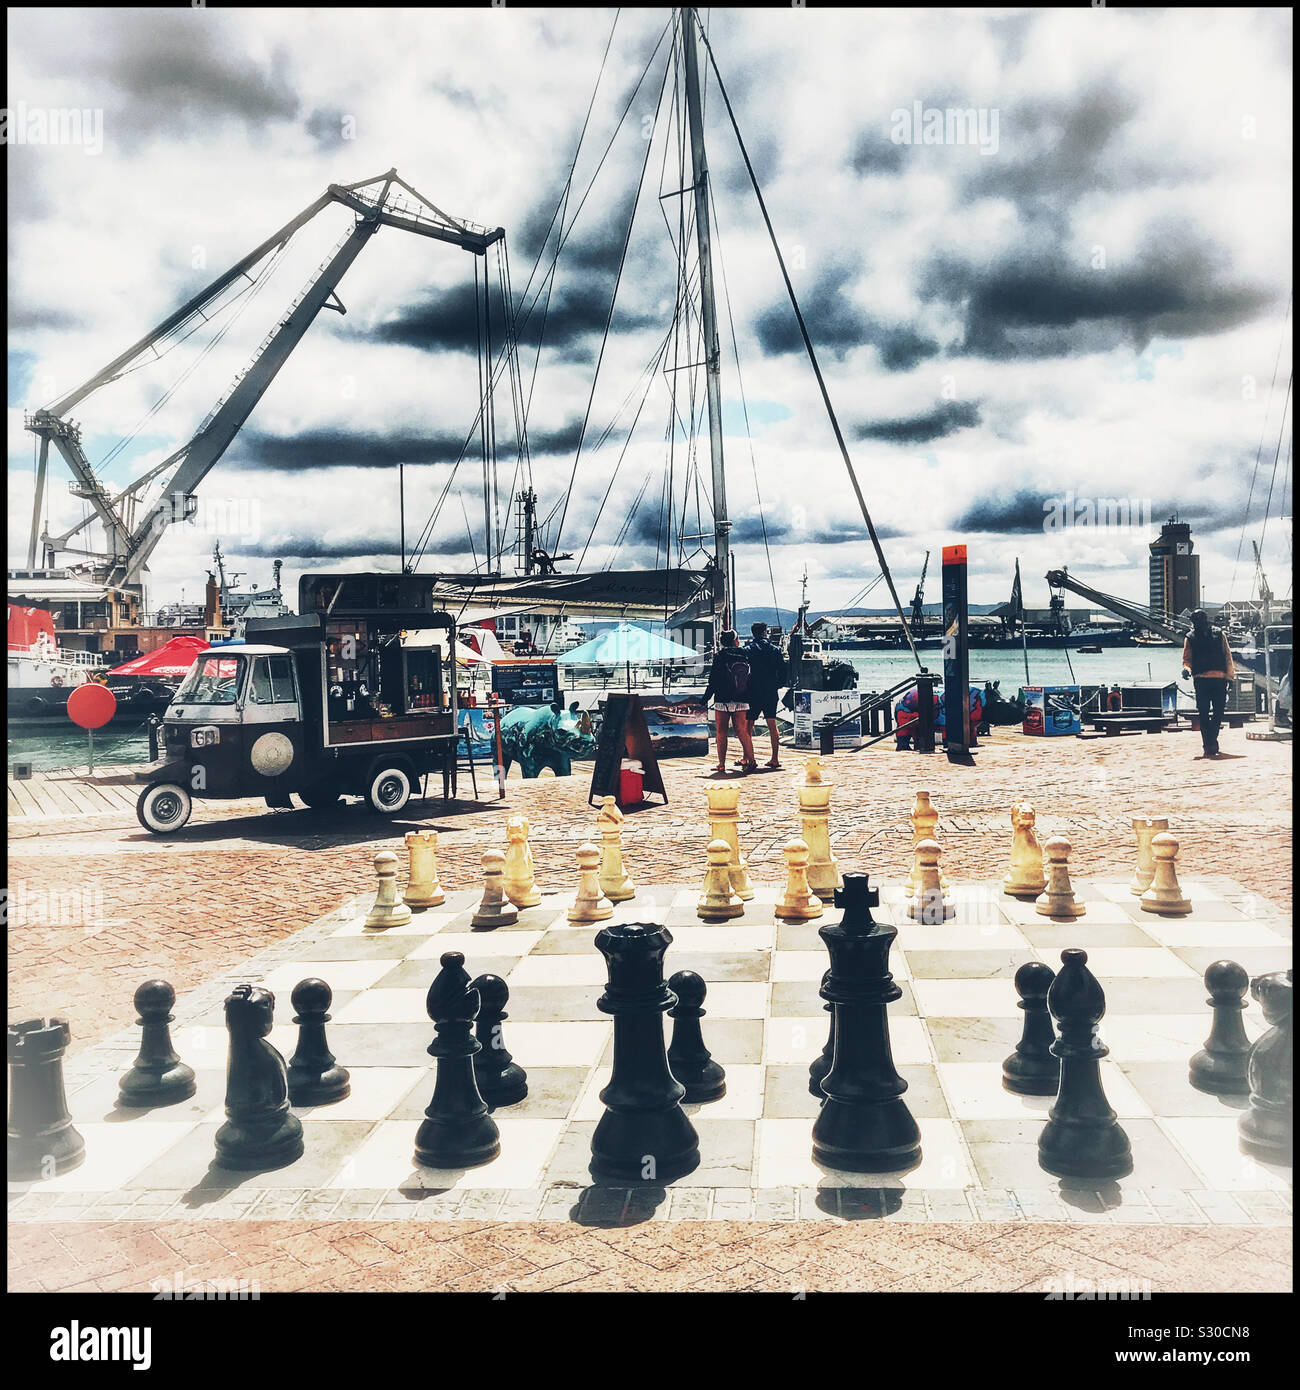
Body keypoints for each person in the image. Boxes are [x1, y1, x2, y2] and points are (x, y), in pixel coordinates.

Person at [1182, 609, 1237, 758]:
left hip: (1219, 679)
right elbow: (1187, 660)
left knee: (1219, 712)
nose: (1197, 624)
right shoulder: (1190, 637)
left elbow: (1227, 656)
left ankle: (1211, 740)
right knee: (1203, 713)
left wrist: (1230, 677)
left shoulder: (1219, 634)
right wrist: (1186, 670)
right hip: (1200, 679)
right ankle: (1209, 744)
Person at [702, 629, 757, 773]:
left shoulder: (720, 656)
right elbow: (751, 678)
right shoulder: (745, 654)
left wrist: (705, 699)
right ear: (735, 640)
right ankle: (752, 760)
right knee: (743, 731)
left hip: (723, 699)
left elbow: (713, 680)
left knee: (721, 731)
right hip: (742, 698)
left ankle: (721, 764)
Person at [743, 622, 787, 768]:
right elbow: (783, 671)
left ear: (753, 633)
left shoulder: (748, 649)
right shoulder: (775, 650)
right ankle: (775, 758)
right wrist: (778, 684)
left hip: (753, 690)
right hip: (770, 690)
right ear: (764, 632)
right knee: (772, 725)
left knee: (748, 725)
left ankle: (749, 758)